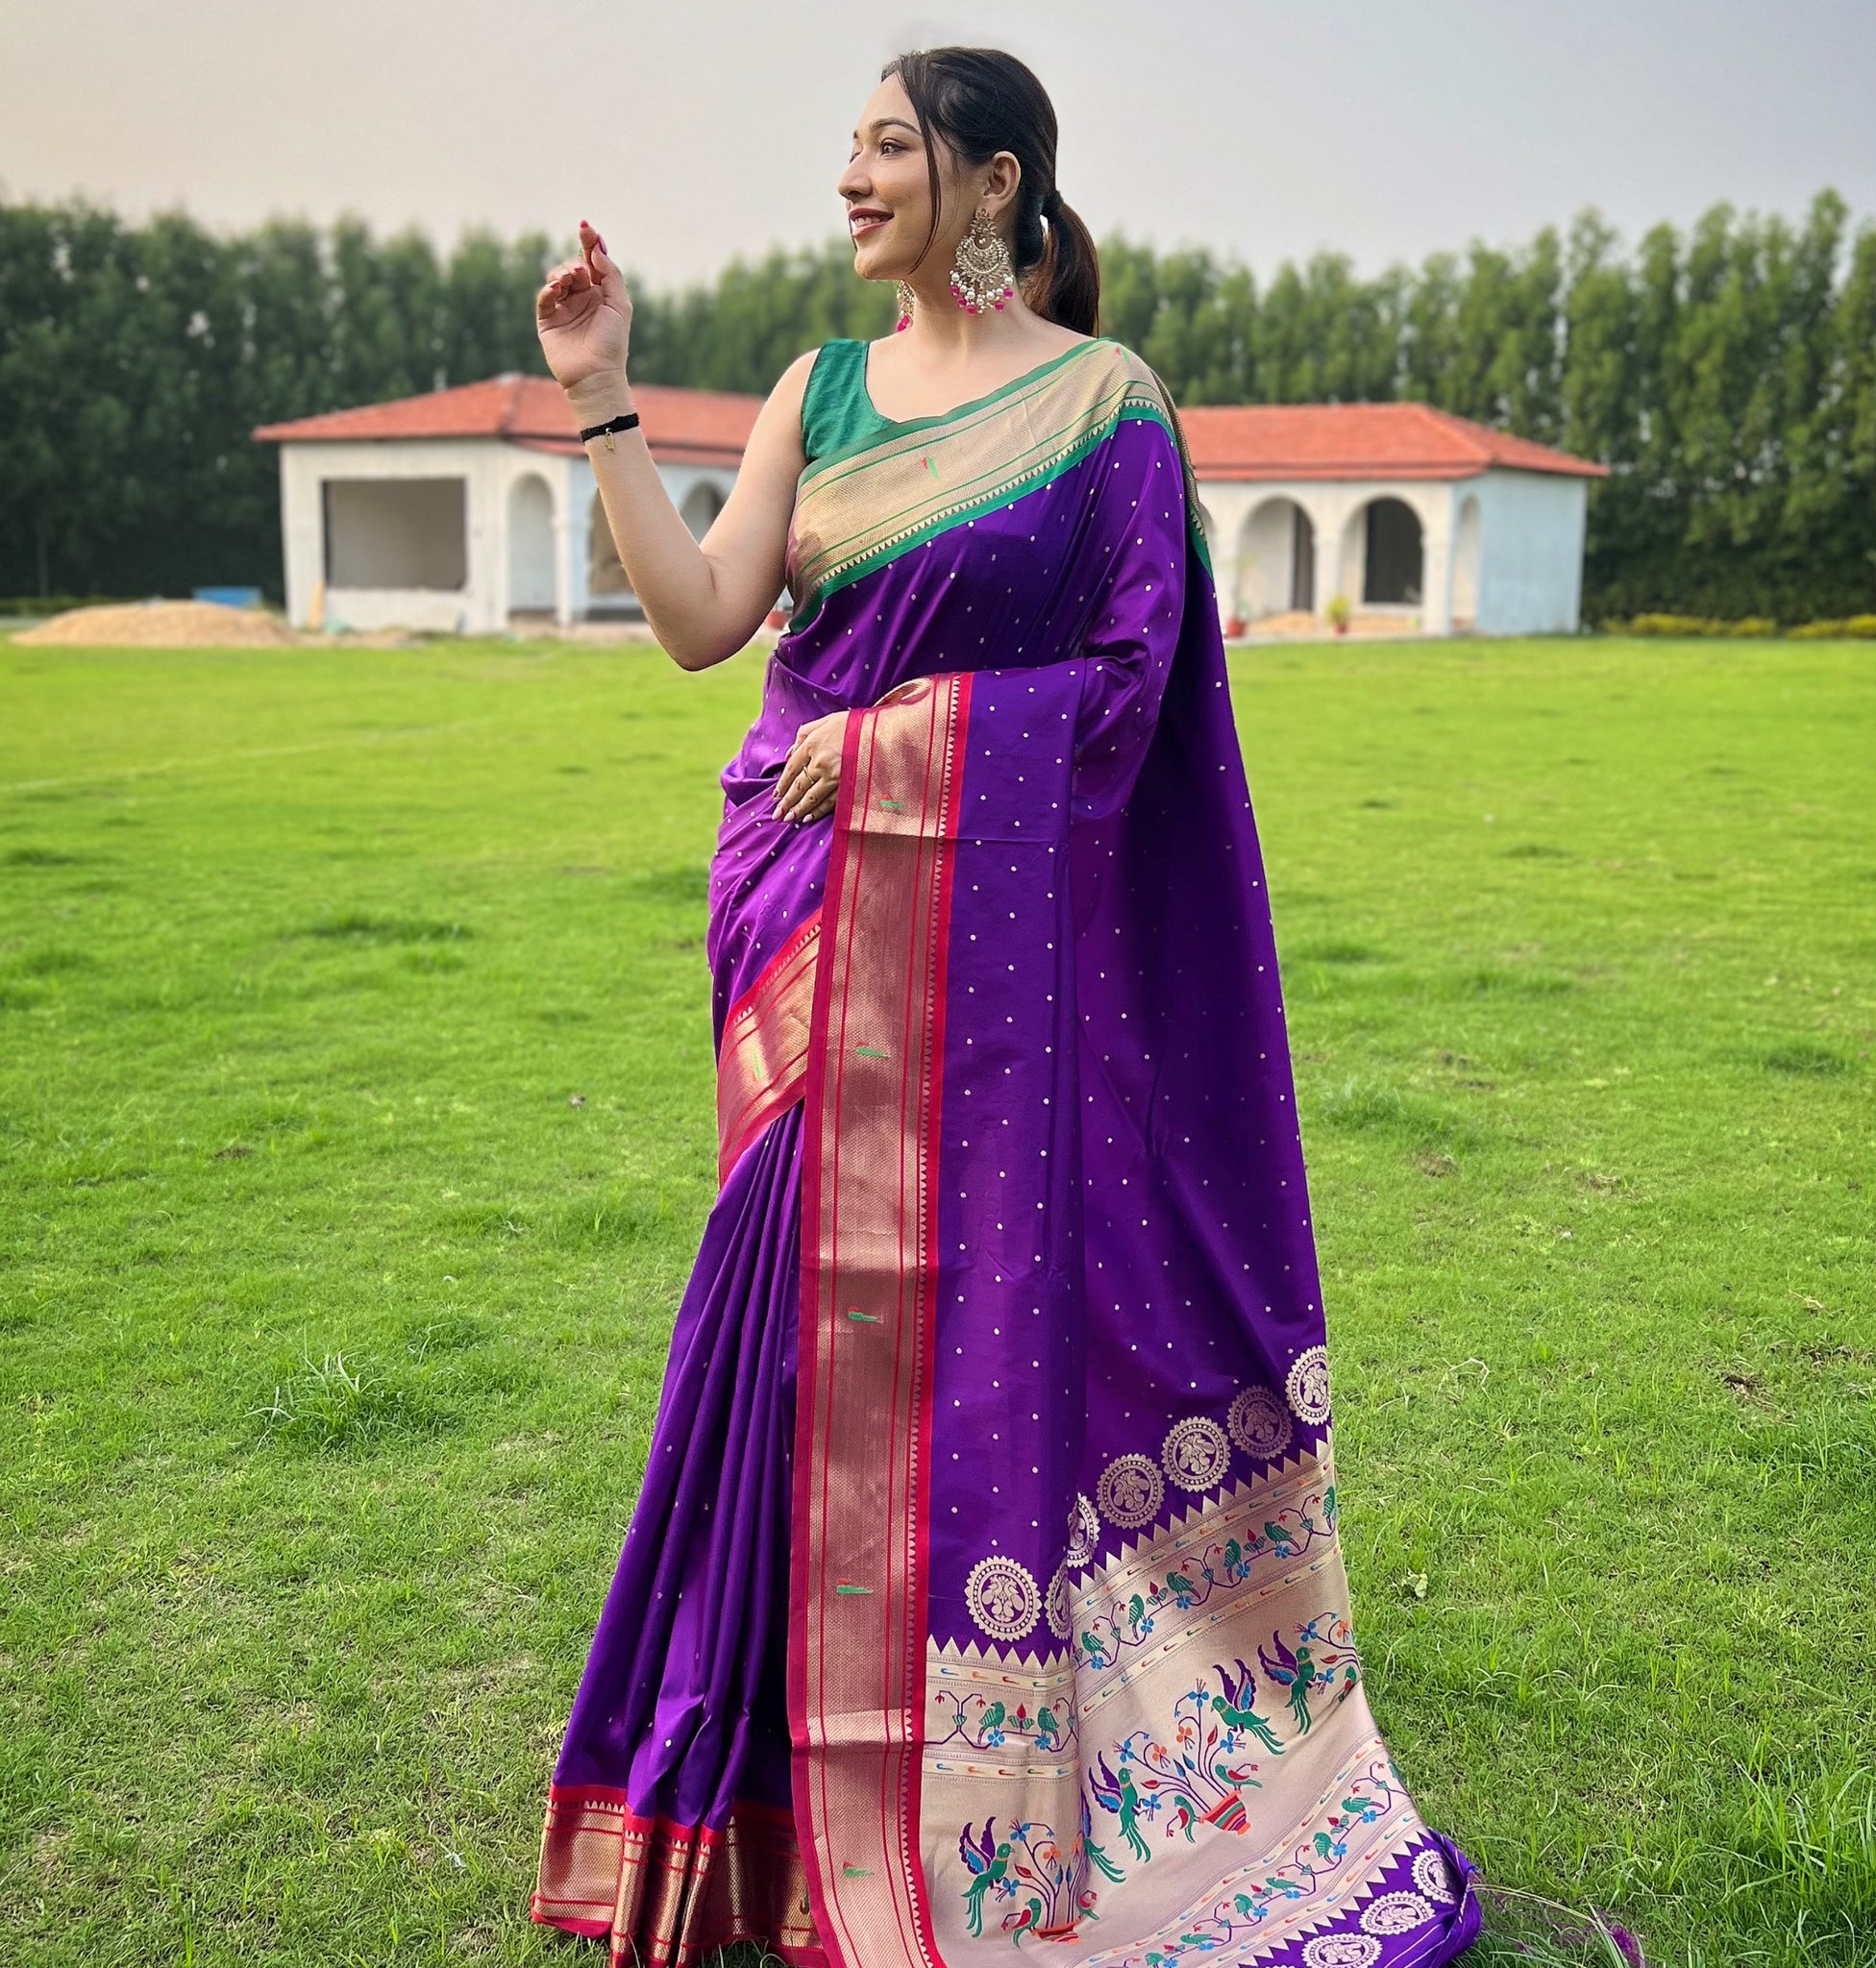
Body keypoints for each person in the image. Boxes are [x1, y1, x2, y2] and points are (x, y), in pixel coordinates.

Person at [527, 45, 1480, 1968]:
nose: (850, 176)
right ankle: (752, 1802)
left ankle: (964, 1785)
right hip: (802, 918)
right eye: (850, 146)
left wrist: (903, 748)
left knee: (965, 1353)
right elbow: (707, 622)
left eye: (885, 144)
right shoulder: (818, 388)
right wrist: (604, 398)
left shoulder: (1104, 407)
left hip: (986, 951)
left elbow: (1129, 695)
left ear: (991, 181)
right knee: (774, 1339)